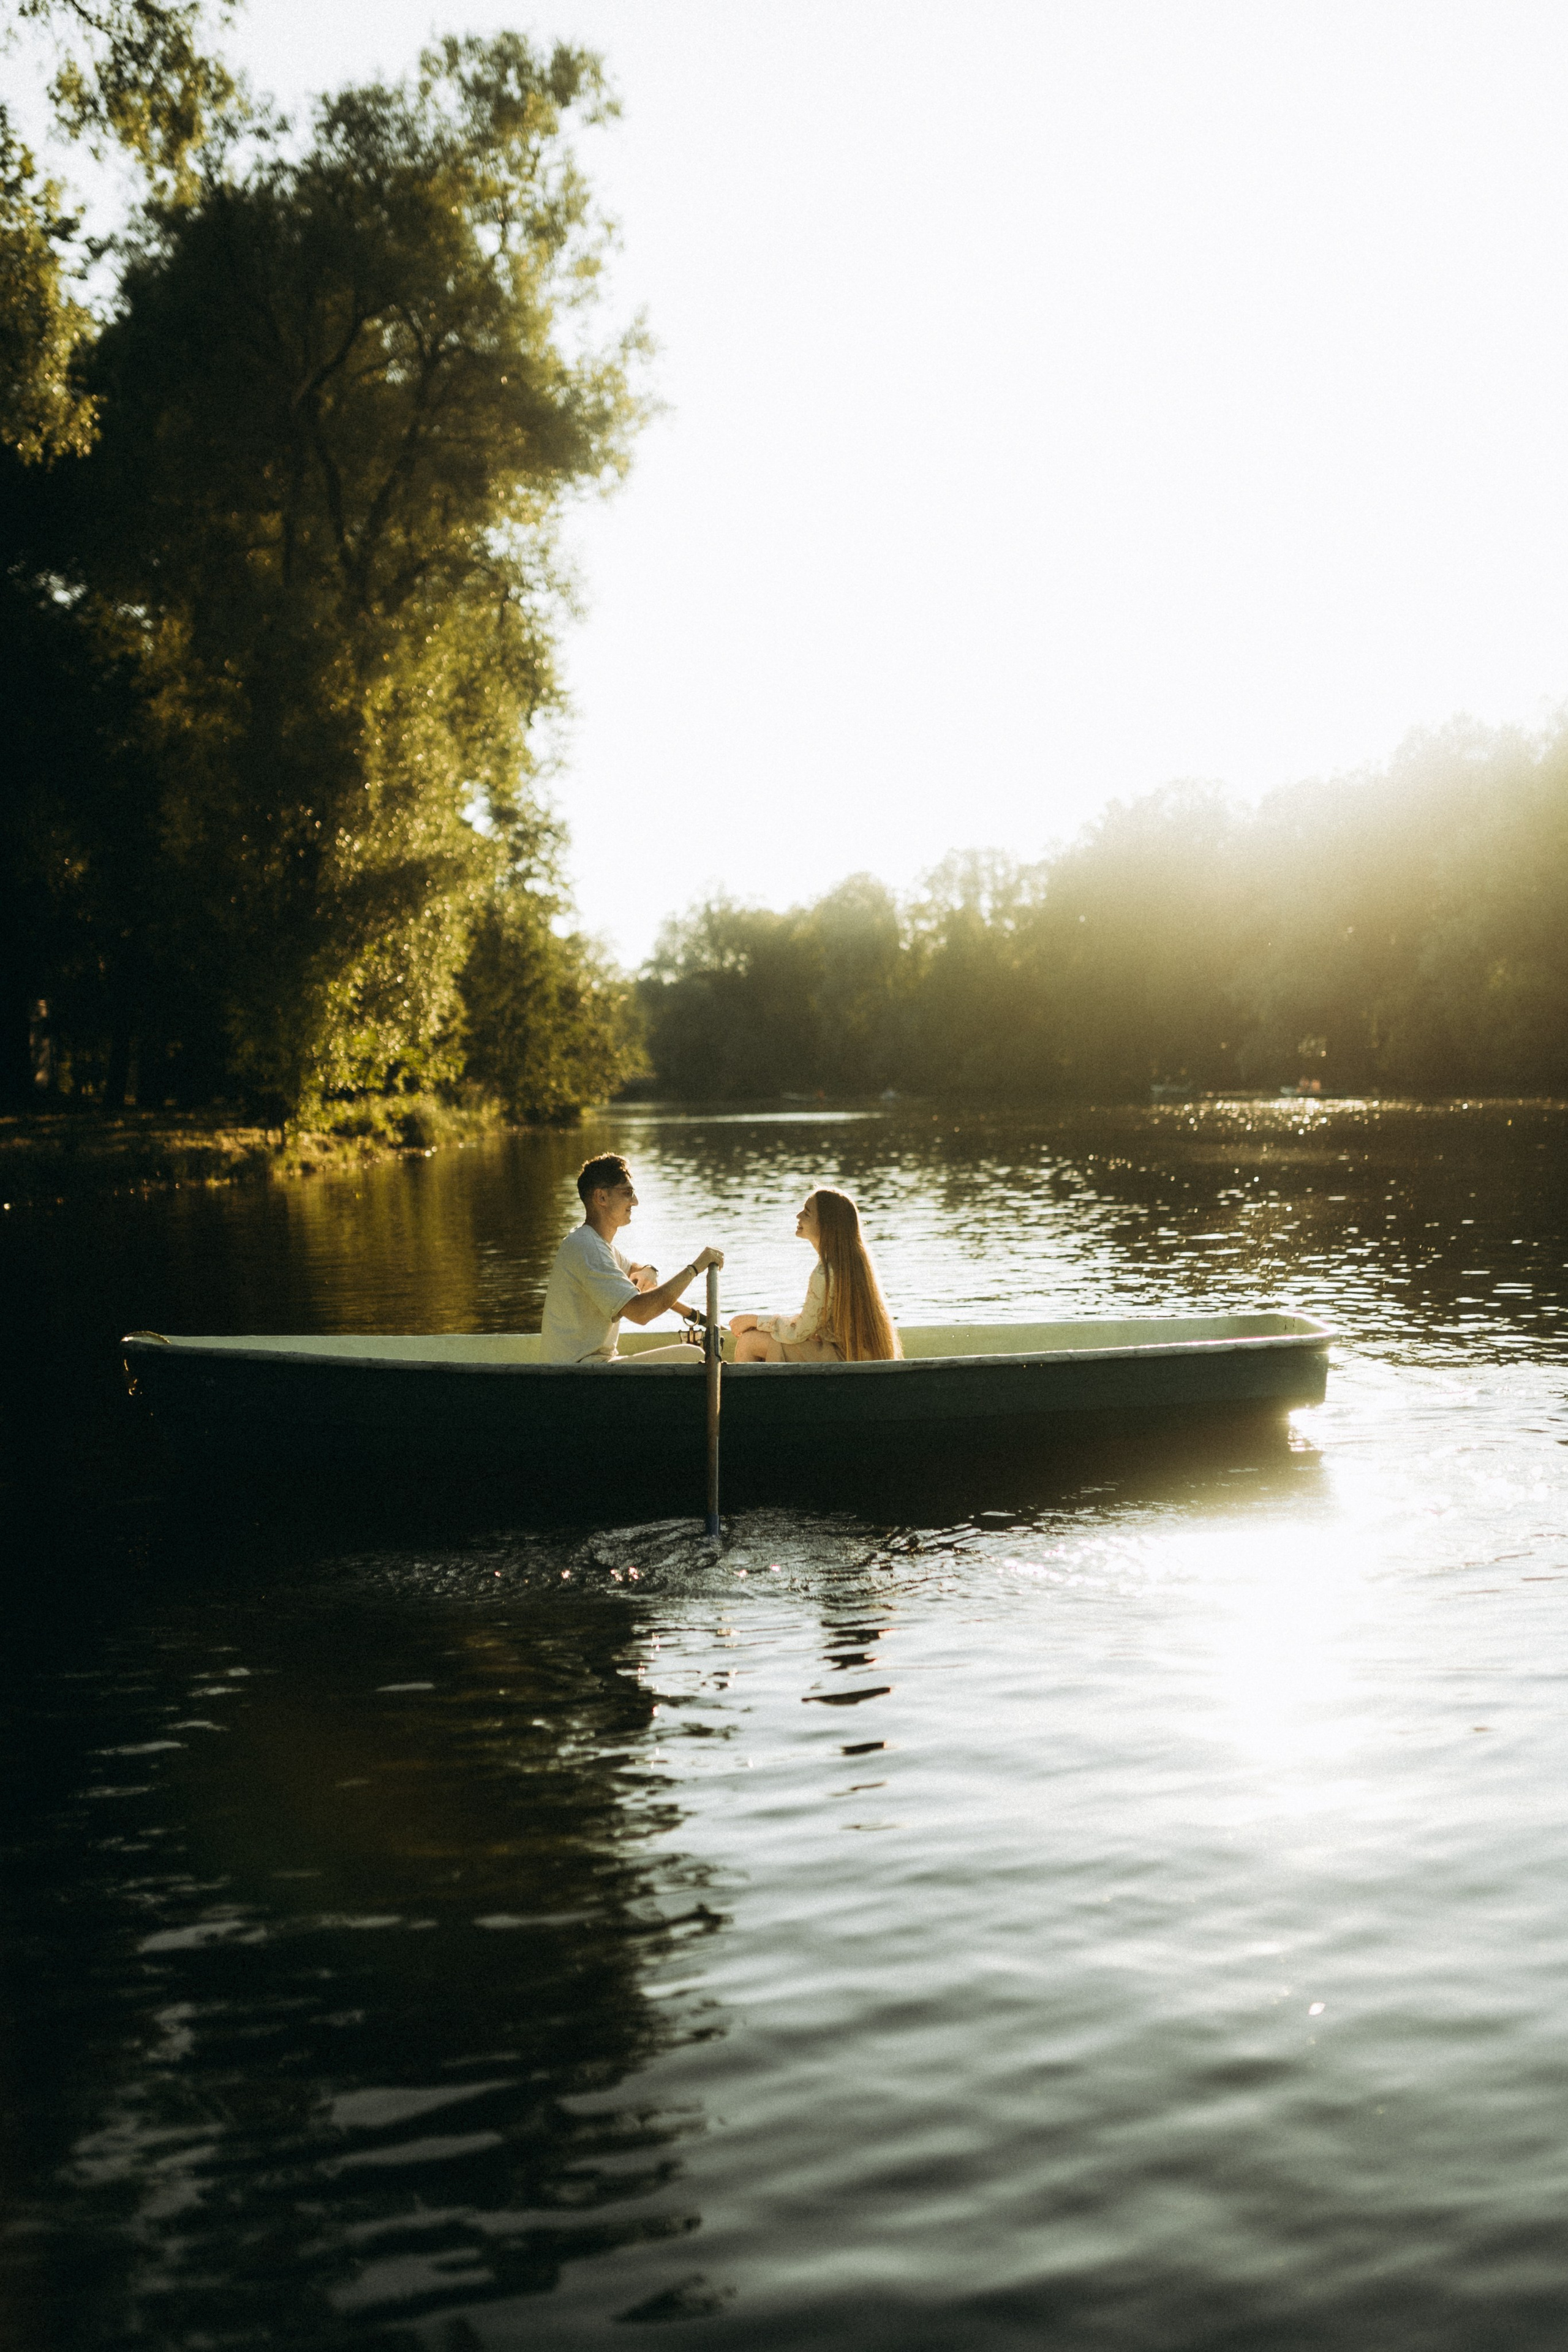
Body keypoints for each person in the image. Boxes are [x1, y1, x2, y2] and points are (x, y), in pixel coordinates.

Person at [541, 1154, 723, 1365]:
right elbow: (641, 1313)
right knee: (692, 1356)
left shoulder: (594, 1243)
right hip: (578, 1376)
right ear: (601, 1198)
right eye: (628, 1193)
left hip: (590, 1368)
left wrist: (649, 1269)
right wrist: (694, 1268)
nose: (635, 1202)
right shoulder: (588, 1248)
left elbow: (633, 1268)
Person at [730, 1187, 901, 1363]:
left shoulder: (825, 1273)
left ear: (826, 1226)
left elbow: (798, 1332)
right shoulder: (851, 1263)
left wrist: (753, 1320)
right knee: (766, 1336)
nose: (799, 1216)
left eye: (807, 1213)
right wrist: (818, 1331)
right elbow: (813, 1324)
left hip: (846, 1359)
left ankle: (743, 1392)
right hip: (858, 1355)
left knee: (748, 1341)